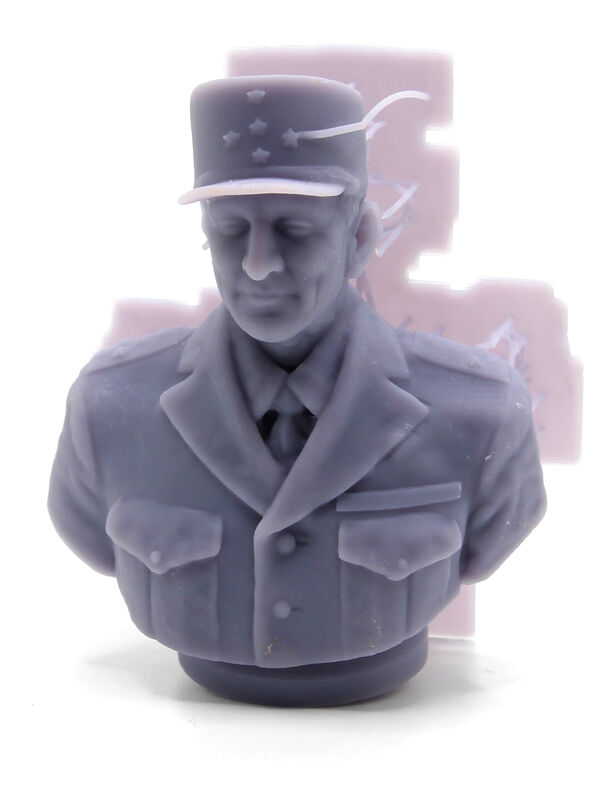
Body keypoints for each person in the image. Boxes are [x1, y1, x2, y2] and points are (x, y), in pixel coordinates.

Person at [48, 75, 546, 706]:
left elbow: (498, 532)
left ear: (359, 239)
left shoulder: (481, 413)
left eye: (295, 229)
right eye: (231, 230)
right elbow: (87, 532)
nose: (258, 265)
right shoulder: (112, 409)